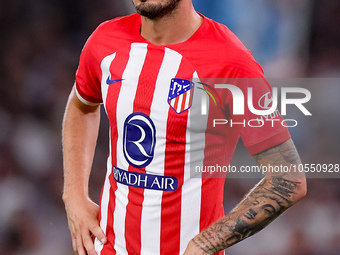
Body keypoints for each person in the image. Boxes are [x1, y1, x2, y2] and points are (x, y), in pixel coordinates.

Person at [62, 0, 307, 254]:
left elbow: (287, 178)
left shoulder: (231, 61)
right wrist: (74, 196)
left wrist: (205, 243)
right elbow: (82, 105)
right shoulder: (105, 41)